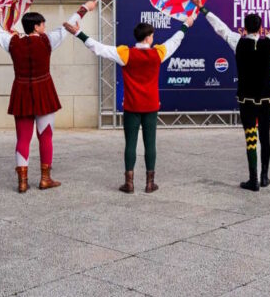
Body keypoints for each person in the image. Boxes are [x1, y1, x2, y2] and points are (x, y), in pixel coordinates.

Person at [64, 13, 196, 194]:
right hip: (150, 106)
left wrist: (80, 34)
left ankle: (130, 183)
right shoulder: (158, 53)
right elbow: (175, 41)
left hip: (132, 106)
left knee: (130, 144)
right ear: (149, 37)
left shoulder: (126, 53)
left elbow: (99, 48)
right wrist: (186, 25)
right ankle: (150, 183)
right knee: (150, 144)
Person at [0, 0, 95, 193]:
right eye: (43, 24)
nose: (45, 27)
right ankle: (45, 179)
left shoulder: (12, 41)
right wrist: (85, 7)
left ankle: (22, 182)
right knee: (46, 136)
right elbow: (70, 25)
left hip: (22, 91)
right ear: (38, 26)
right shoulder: (47, 40)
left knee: (23, 138)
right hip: (44, 91)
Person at [194, 0, 270, 191]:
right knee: (265, 136)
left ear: (245, 28)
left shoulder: (238, 42)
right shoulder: (269, 42)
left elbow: (220, 27)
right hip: (265, 99)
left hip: (246, 99)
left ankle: (253, 179)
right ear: (261, 28)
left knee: (251, 137)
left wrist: (203, 8)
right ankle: (264, 176)